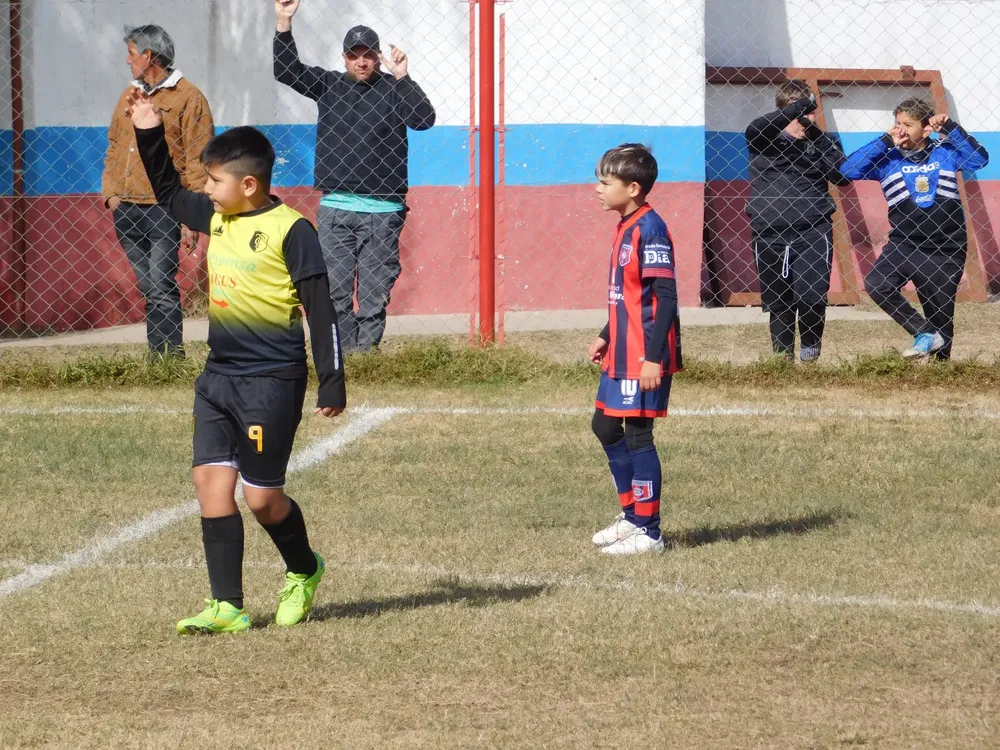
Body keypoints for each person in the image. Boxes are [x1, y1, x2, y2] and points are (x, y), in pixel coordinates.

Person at [127, 89, 347, 634]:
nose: (206, 190)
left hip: (271, 382)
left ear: (248, 184)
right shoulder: (217, 214)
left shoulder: (292, 230)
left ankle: (304, 568)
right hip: (218, 378)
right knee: (210, 484)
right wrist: (150, 131)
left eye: (215, 181)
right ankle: (227, 605)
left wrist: (332, 382)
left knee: (263, 500)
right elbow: (169, 195)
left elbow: (321, 311)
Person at [273, 0, 436, 353]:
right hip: (336, 210)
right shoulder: (329, 85)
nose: (360, 61)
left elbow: (424, 119)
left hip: (383, 210)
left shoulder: (394, 89)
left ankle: (367, 352)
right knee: (335, 288)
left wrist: (403, 76)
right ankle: (343, 352)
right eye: (352, 54)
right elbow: (287, 71)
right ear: (343, 57)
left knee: (376, 288)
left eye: (367, 55)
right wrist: (283, 22)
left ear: (378, 57)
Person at [587, 144, 682, 556]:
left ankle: (650, 531)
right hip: (621, 350)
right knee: (604, 427)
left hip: (645, 353)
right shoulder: (626, 224)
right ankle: (631, 516)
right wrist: (607, 332)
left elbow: (666, 295)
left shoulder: (651, 228)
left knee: (639, 435)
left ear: (633, 188)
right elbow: (628, 293)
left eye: (605, 183)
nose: (597, 189)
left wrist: (652, 358)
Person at [841, 98, 989, 359]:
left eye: (908, 124)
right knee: (877, 284)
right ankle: (922, 332)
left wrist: (951, 128)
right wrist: (884, 141)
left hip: (946, 247)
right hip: (904, 244)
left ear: (926, 129)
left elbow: (978, 159)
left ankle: (940, 373)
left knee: (941, 315)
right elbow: (847, 170)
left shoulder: (945, 151)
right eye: (897, 123)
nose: (900, 129)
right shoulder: (886, 158)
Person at [102, 24, 215, 357]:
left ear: (148, 56)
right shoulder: (129, 95)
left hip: (164, 208)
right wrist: (111, 194)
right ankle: (158, 353)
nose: (128, 61)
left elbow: (198, 158)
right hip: (127, 207)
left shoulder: (188, 97)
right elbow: (114, 146)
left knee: (162, 284)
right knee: (149, 287)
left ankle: (169, 357)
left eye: (131, 53)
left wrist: (192, 215)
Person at [745, 79, 851, 362]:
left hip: (813, 230)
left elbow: (842, 177)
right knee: (779, 302)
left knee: (812, 299)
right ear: (783, 113)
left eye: (811, 113)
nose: (804, 120)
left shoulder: (822, 141)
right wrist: (799, 107)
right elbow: (754, 129)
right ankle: (781, 359)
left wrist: (814, 132)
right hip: (770, 231)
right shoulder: (764, 140)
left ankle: (810, 354)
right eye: (796, 115)